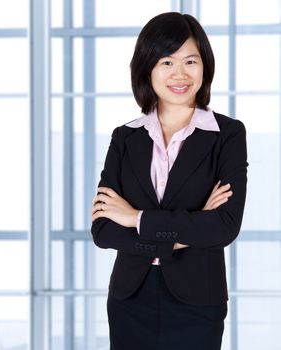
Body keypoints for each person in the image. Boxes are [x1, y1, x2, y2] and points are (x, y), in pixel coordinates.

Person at [90, 12, 248, 350]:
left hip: (197, 301)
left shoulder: (228, 135)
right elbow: (103, 230)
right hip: (130, 298)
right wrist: (186, 231)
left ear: (205, 66)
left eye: (190, 60)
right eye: (166, 61)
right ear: (147, 68)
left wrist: (136, 218)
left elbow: (224, 226)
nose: (180, 74)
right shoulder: (125, 138)